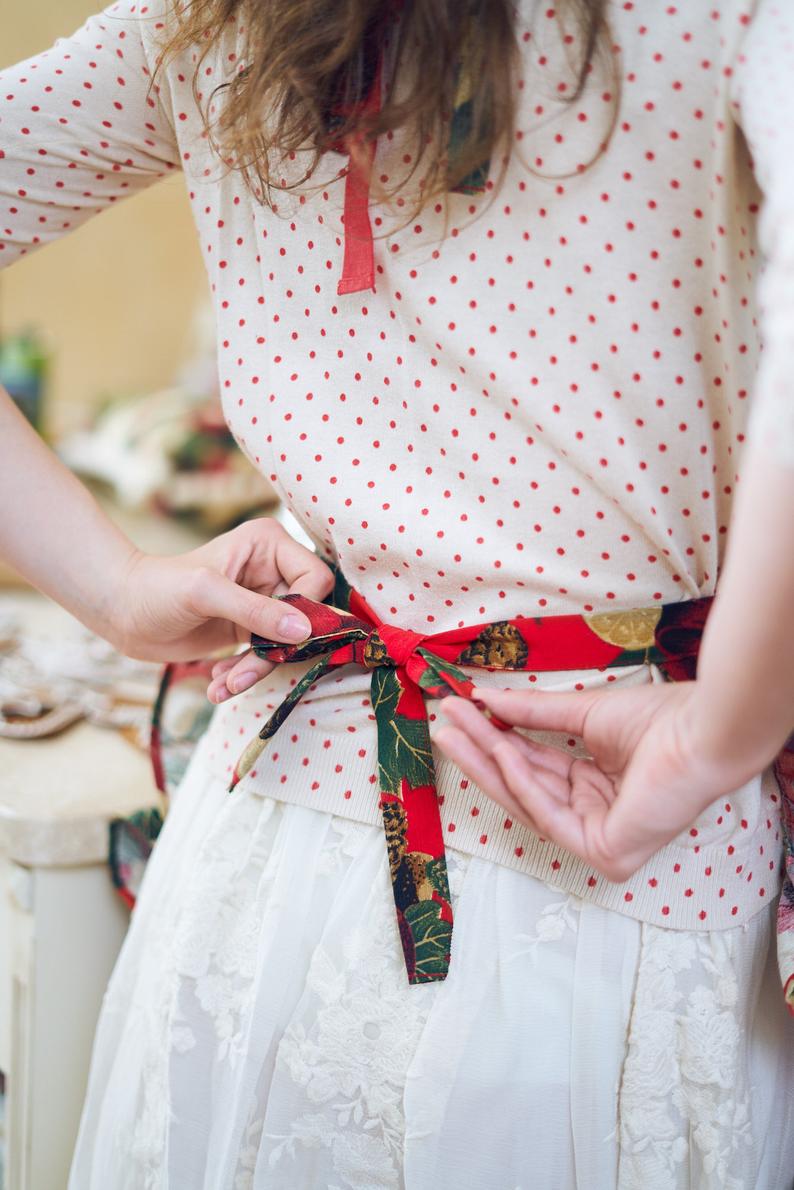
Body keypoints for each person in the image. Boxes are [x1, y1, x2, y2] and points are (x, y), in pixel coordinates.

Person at [1, 1, 793, 1187]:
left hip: (257, 879)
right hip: (619, 862)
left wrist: (114, 588)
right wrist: (722, 726)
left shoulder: (208, 20)